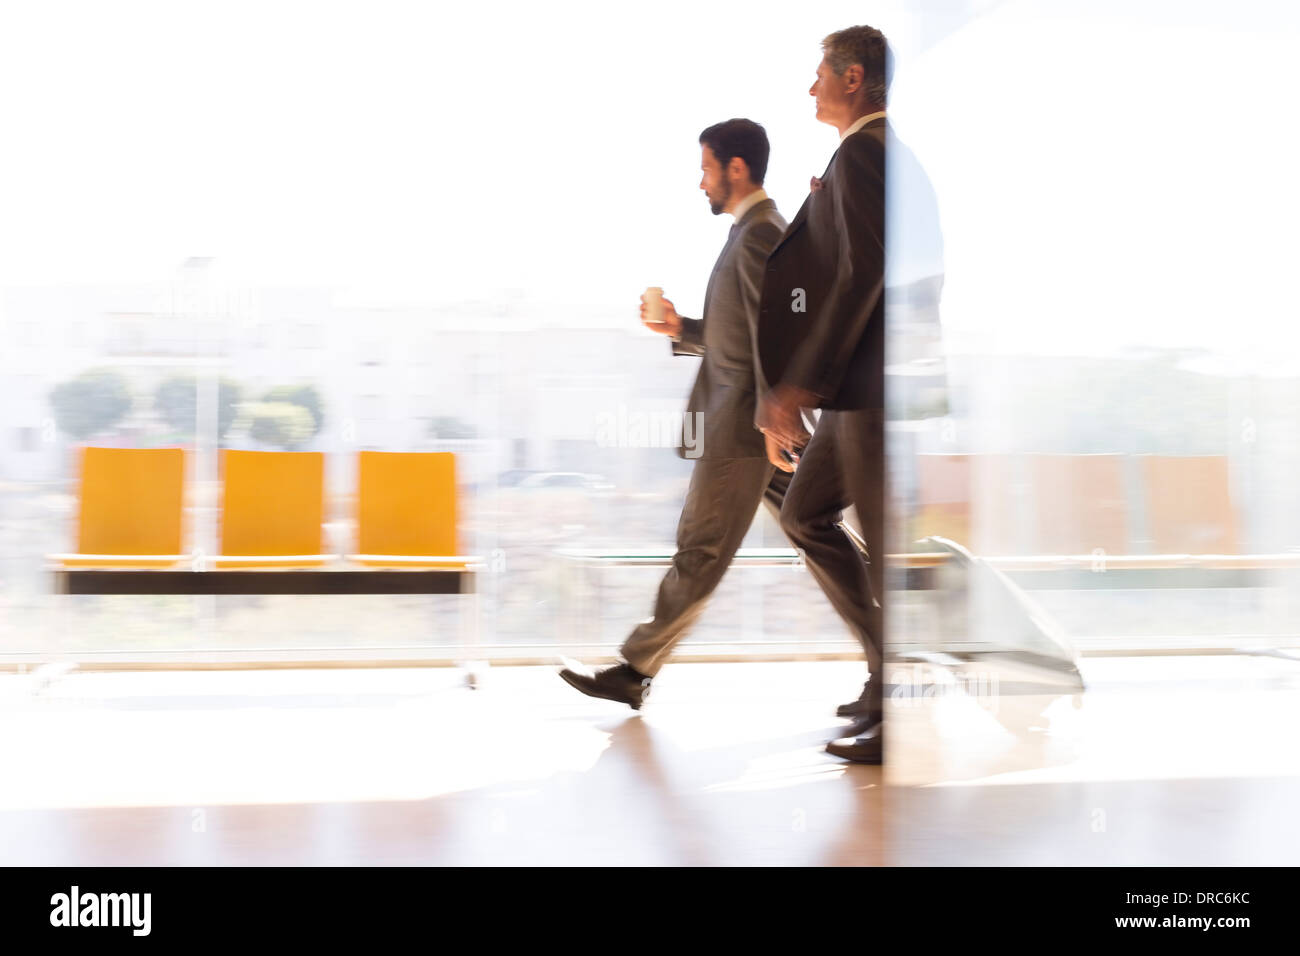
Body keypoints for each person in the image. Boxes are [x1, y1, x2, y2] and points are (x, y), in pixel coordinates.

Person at [559, 119, 792, 708]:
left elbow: (779, 337)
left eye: (706, 169)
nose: (701, 184)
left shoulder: (762, 232)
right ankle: (894, 642)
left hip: (745, 429)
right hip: (754, 425)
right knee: (824, 538)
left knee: (702, 548)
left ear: (735, 168)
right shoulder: (751, 231)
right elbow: (739, 335)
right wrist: (680, 328)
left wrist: (772, 418)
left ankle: (635, 670)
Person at [756, 25, 894, 763]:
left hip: (865, 386)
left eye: (819, 76)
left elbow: (865, 275)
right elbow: (854, 259)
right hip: (856, 390)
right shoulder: (859, 159)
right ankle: (885, 674)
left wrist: (801, 382)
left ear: (851, 78)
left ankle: (897, 696)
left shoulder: (869, 153)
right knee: (808, 513)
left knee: (871, 540)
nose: (810, 88)